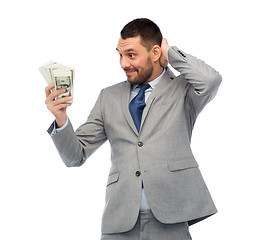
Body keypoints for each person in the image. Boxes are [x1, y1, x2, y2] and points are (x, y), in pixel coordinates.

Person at [45, 18, 222, 240]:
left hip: (171, 217)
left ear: (155, 53)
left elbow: (211, 80)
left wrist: (170, 51)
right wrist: (61, 119)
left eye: (131, 55)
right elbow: (75, 156)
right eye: (120, 55)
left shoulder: (183, 90)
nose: (123, 64)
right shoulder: (108, 97)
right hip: (119, 222)